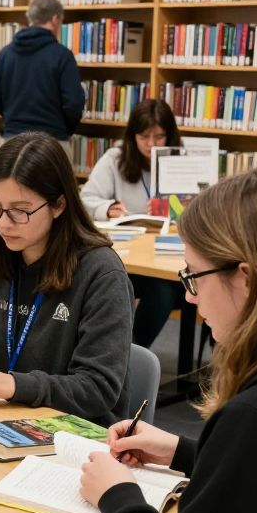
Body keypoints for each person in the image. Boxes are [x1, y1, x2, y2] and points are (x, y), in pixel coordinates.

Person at [22, 166, 257, 513]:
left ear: (246, 278)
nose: (190, 297)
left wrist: (118, 495)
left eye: (194, 277)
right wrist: (181, 451)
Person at [0, 132, 133, 425]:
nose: (3, 223)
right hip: (2, 418)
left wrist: (15, 385)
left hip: (72, 433)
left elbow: (97, 388)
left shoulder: (101, 274)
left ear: (59, 205)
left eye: (20, 211)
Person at [81, 98, 184, 347]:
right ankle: (125, 355)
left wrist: (178, 208)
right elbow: (85, 199)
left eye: (159, 137)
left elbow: (198, 208)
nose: (151, 145)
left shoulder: (182, 162)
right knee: (131, 286)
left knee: (165, 288)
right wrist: (108, 209)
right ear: (132, 136)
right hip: (130, 259)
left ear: (169, 136)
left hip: (168, 257)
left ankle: (133, 352)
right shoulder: (115, 159)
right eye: (144, 137)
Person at [0, 0, 85, 150]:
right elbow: (73, 103)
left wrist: (13, 119)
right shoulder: (62, 55)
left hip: (12, 141)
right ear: (55, 19)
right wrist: (63, 129)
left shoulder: (6, 53)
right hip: (52, 142)